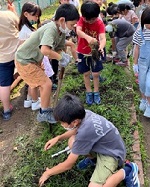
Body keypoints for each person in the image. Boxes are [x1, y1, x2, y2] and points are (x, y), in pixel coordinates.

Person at [39, 94, 140, 187]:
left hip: (113, 154)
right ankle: (93, 159)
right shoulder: (84, 114)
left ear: (74, 121)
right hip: (106, 146)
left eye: (62, 122)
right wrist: (58, 138)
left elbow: (68, 165)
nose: (61, 124)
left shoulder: (84, 133)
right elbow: (75, 130)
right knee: (72, 142)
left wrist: (48, 172)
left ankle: (128, 171)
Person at [15, 4, 80, 123]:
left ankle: (45, 108)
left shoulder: (61, 31)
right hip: (24, 60)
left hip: (34, 60)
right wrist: (60, 57)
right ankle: (43, 113)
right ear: (62, 20)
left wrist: (63, 55)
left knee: (44, 84)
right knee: (47, 84)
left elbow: (58, 48)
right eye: (71, 25)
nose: (72, 28)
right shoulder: (51, 28)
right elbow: (45, 50)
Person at [18, 2, 54, 110]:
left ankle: (30, 100)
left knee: (31, 82)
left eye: (37, 16)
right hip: (28, 61)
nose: (36, 18)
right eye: (35, 15)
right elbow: (23, 47)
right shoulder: (25, 31)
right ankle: (35, 102)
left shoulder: (27, 28)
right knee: (33, 84)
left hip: (29, 60)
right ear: (26, 14)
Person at [76, 1, 106, 105]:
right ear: (83, 16)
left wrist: (101, 47)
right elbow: (78, 31)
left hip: (94, 51)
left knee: (96, 73)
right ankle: (89, 92)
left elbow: (103, 38)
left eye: (92, 19)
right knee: (86, 73)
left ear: (97, 16)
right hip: (82, 52)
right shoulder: (81, 20)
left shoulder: (99, 23)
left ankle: (96, 92)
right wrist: (88, 38)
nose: (89, 21)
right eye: (86, 19)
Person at [0, 3, 20, 120]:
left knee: (4, 84)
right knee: (26, 73)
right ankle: (31, 97)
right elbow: (20, 25)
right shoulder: (9, 14)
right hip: (17, 53)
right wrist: (13, 11)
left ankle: (6, 111)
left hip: (3, 58)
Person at [132, 7, 150, 118]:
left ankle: (149, 105)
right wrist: (135, 63)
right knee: (142, 83)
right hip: (143, 62)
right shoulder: (140, 33)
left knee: (149, 84)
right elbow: (137, 48)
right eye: (147, 24)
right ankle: (143, 99)